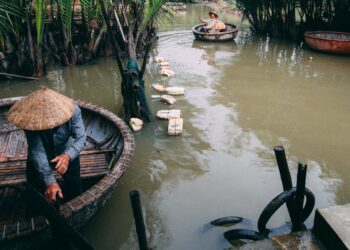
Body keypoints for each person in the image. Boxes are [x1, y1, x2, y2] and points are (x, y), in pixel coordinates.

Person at [7, 88, 86, 204]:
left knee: (75, 188)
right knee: (35, 192)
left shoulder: (73, 110)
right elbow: (36, 149)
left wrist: (67, 156)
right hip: (41, 154)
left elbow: (81, 138)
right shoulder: (30, 118)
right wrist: (50, 181)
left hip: (65, 151)